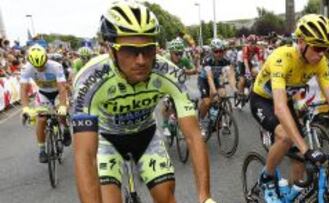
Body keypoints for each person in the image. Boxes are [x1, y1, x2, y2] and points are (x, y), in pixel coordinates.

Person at [71, 1, 215, 203]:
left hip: (146, 136)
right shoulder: (90, 80)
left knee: (166, 197)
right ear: (110, 49)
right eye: (130, 51)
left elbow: (193, 136)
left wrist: (205, 197)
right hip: (107, 140)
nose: (141, 60)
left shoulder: (168, 72)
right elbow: (85, 155)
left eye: (148, 50)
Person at [249, 14, 329, 202]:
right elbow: (279, 106)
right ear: (301, 41)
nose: (321, 54)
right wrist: (307, 148)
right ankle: (266, 177)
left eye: (326, 49)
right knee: (286, 137)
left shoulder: (321, 62)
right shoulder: (281, 58)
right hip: (263, 100)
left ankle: (290, 198)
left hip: (288, 100)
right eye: (317, 48)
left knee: (300, 160)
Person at [20, 44, 71, 163]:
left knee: (61, 114)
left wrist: (63, 105)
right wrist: (25, 108)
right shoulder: (26, 68)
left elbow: (62, 88)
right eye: (37, 67)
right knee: (41, 119)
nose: (40, 69)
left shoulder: (56, 66)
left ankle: (66, 129)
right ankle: (42, 150)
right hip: (43, 94)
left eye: (42, 66)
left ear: (46, 59)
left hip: (58, 93)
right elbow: (23, 90)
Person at [198, 38, 238, 135]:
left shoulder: (226, 60)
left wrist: (235, 90)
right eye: (216, 51)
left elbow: (230, 75)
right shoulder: (207, 59)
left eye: (221, 51)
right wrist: (214, 91)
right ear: (212, 51)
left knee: (223, 94)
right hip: (204, 79)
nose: (219, 53)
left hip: (217, 78)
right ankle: (200, 120)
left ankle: (217, 116)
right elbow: (209, 77)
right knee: (207, 102)